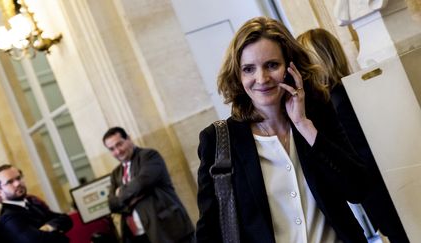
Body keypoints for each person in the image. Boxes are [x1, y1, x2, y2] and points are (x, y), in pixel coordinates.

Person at [196, 16, 371, 243]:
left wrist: (303, 125)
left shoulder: (316, 116)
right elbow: (208, 232)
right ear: (238, 76)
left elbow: (357, 189)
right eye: (249, 69)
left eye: (272, 65)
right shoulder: (219, 140)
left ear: (291, 68)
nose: (262, 78)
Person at [297, 28, 410, 243]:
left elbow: (360, 153)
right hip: (384, 188)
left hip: (382, 191)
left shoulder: (336, 102)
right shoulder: (344, 94)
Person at [103, 127, 194, 243]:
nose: (117, 151)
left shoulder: (149, 156)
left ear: (129, 139)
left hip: (167, 231)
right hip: (140, 236)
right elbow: (112, 204)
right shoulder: (115, 173)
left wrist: (120, 193)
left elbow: (141, 184)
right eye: (112, 149)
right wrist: (130, 197)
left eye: (119, 144)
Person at [0, 164, 73, 243]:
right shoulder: (8, 216)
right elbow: (35, 241)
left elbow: (66, 219)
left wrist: (47, 228)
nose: (18, 183)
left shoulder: (32, 202)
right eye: (10, 182)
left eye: (18, 178)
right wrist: (59, 233)